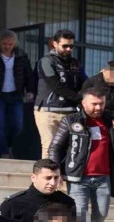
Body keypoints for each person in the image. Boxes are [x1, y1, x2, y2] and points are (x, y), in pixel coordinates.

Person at [48, 87, 114, 222]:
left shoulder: (109, 120)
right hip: (78, 177)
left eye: (101, 104)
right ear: (83, 103)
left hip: (103, 178)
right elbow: (55, 147)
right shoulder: (70, 121)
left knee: (101, 215)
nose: (98, 107)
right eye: (94, 104)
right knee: (79, 215)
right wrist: (55, 171)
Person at [0, 29, 35, 158]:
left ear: (14, 44)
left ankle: (9, 145)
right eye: (4, 44)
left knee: (18, 125)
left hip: (16, 95)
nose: (7, 47)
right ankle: (4, 152)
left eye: (10, 44)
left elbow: (28, 75)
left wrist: (30, 91)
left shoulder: (21, 56)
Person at [34, 29, 86, 158]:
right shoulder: (46, 61)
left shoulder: (75, 63)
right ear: (55, 44)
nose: (68, 49)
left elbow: (85, 83)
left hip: (70, 112)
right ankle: (47, 171)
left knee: (71, 147)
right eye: (65, 46)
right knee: (50, 146)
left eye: (71, 46)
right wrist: (80, 99)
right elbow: (56, 86)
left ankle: (63, 171)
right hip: (48, 111)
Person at [81, 61, 114, 126]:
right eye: (112, 74)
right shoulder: (91, 83)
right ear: (104, 71)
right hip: (96, 122)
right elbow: (82, 104)